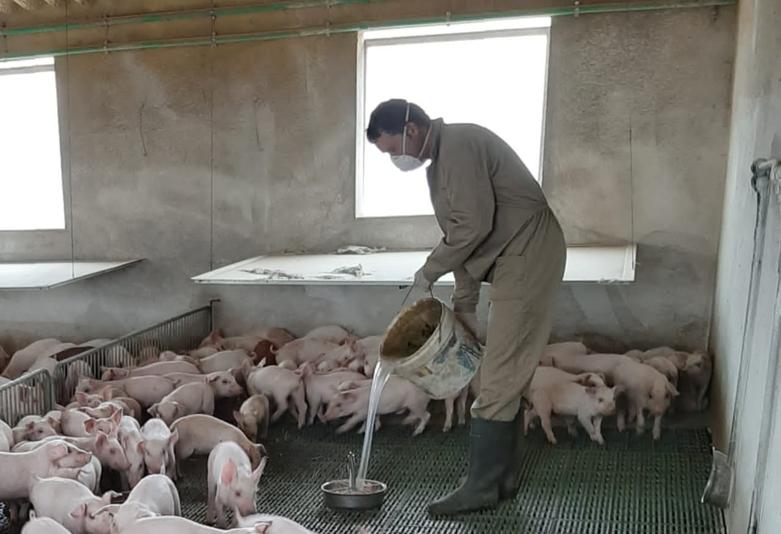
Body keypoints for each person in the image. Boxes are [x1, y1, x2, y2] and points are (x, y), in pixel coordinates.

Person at [366, 99, 566, 516]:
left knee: (497, 375)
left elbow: (473, 227)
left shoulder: (458, 145)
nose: (394, 159)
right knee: (504, 372)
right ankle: (502, 478)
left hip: (527, 251)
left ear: (412, 129)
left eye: (391, 150)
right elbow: (463, 237)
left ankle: (480, 486)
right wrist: (464, 305)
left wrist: (427, 273)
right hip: (513, 256)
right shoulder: (441, 161)